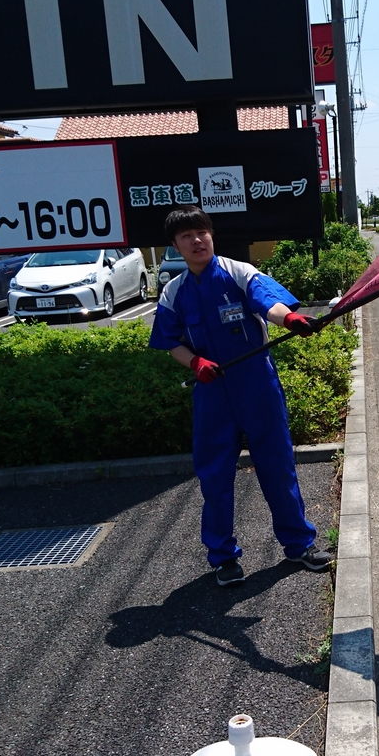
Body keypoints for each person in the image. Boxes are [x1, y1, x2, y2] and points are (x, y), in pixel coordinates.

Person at [149, 206, 332, 586]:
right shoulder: (173, 292)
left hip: (256, 385)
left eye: (201, 232)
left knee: (277, 466)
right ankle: (224, 558)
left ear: (211, 234)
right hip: (212, 392)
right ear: (176, 246)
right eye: (186, 236)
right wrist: (195, 361)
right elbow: (170, 343)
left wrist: (290, 319)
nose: (196, 240)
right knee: (215, 476)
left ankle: (299, 545)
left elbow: (269, 304)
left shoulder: (239, 272)